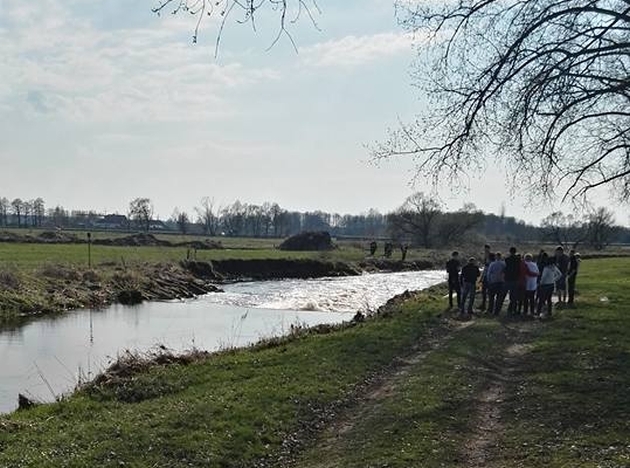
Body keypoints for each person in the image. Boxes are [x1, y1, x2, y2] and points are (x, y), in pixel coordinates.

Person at [501, 246, 520, 314]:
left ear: (510, 251)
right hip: (515, 279)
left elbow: (504, 269)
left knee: (502, 295)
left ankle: (497, 310)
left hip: (507, 279)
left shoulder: (507, 259)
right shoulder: (518, 259)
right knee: (514, 297)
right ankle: (513, 310)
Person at [479, 244, 491, 310]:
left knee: (489, 292)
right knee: (483, 291)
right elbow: (485, 267)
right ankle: (483, 305)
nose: (485, 251)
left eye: (486, 249)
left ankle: (488, 306)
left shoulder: (491, 256)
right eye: (485, 249)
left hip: (489, 276)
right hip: (485, 274)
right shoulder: (485, 256)